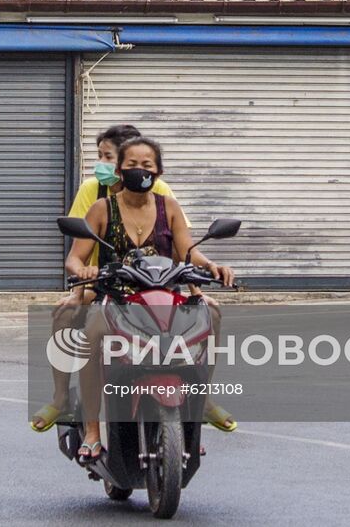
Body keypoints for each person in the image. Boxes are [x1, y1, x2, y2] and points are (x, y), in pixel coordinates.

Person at [64, 136, 236, 461]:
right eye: (131, 165)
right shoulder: (102, 208)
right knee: (91, 335)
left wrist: (213, 267)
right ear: (118, 170)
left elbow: (187, 251)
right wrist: (83, 271)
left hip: (165, 297)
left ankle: (200, 403)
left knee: (211, 315)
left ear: (158, 171)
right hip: (118, 299)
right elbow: (75, 258)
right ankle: (91, 430)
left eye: (147, 165)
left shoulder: (168, 206)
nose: (139, 171)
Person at [31, 124, 176, 432]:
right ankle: (61, 399)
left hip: (155, 286)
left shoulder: (161, 193)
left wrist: (196, 283)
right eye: (100, 156)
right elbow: (78, 251)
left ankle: (200, 400)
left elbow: (183, 245)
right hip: (103, 285)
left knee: (203, 317)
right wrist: (81, 287)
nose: (100, 164)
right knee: (65, 316)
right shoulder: (92, 192)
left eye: (106, 157)